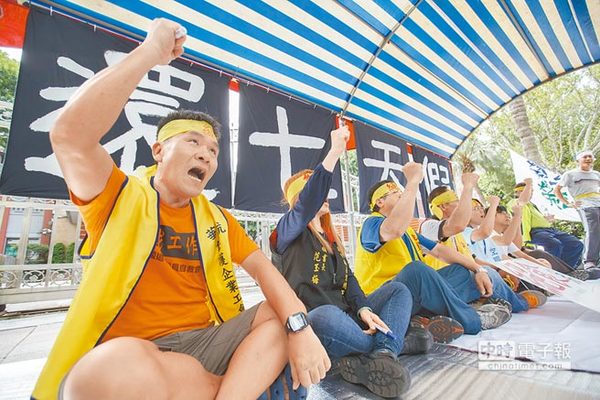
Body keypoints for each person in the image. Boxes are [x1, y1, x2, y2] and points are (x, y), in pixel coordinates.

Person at [33, 19, 330, 400]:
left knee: (285, 313)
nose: (206, 155)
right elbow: (70, 136)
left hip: (209, 342)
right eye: (193, 142)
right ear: (158, 151)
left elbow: (263, 270)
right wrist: (149, 53)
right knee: (100, 374)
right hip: (138, 351)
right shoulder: (118, 195)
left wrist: (300, 328)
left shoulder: (217, 219)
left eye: (213, 151)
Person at [269, 126, 426, 398]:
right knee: (322, 317)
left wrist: (364, 308)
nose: (324, 196)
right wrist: (334, 153)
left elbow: (350, 281)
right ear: (300, 199)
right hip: (318, 326)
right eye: (315, 192)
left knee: (398, 290)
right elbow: (305, 206)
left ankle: (381, 353)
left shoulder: (332, 240)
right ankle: (390, 344)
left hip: (350, 318)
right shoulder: (286, 232)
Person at [354, 165, 513, 341]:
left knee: (462, 271)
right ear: (379, 202)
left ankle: (425, 320)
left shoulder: (409, 231)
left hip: (413, 295)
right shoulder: (371, 223)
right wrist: (413, 181)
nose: (402, 195)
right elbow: (394, 229)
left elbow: (439, 251)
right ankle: (473, 319)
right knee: (415, 270)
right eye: (396, 194)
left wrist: (478, 269)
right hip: (385, 297)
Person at [465, 198, 546, 308]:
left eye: (481, 208)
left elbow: (509, 246)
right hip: (483, 273)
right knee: (492, 271)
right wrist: (494, 205)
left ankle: (508, 298)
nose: (481, 211)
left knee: (520, 265)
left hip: (491, 271)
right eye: (476, 209)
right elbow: (475, 259)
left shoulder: (484, 235)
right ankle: (521, 302)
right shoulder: (467, 232)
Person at [508, 181, 584, 269]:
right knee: (554, 244)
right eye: (526, 191)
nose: (530, 193)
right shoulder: (514, 202)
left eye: (531, 191)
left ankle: (565, 269)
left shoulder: (533, 205)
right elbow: (521, 202)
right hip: (534, 232)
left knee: (576, 244)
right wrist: (528, 184)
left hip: (550, 230)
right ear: (517, 192)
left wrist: (547, 220)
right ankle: (552, 270)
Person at [554, 150, 600, 271]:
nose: (588, 158)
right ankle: (589, 261)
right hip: (585, 205)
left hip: (598, 202)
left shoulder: (596, 174)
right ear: (578, 160)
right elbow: (556, 190)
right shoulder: (570, 174)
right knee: (593, 231)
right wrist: (568, 203)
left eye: (590, 156)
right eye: (585, 157)